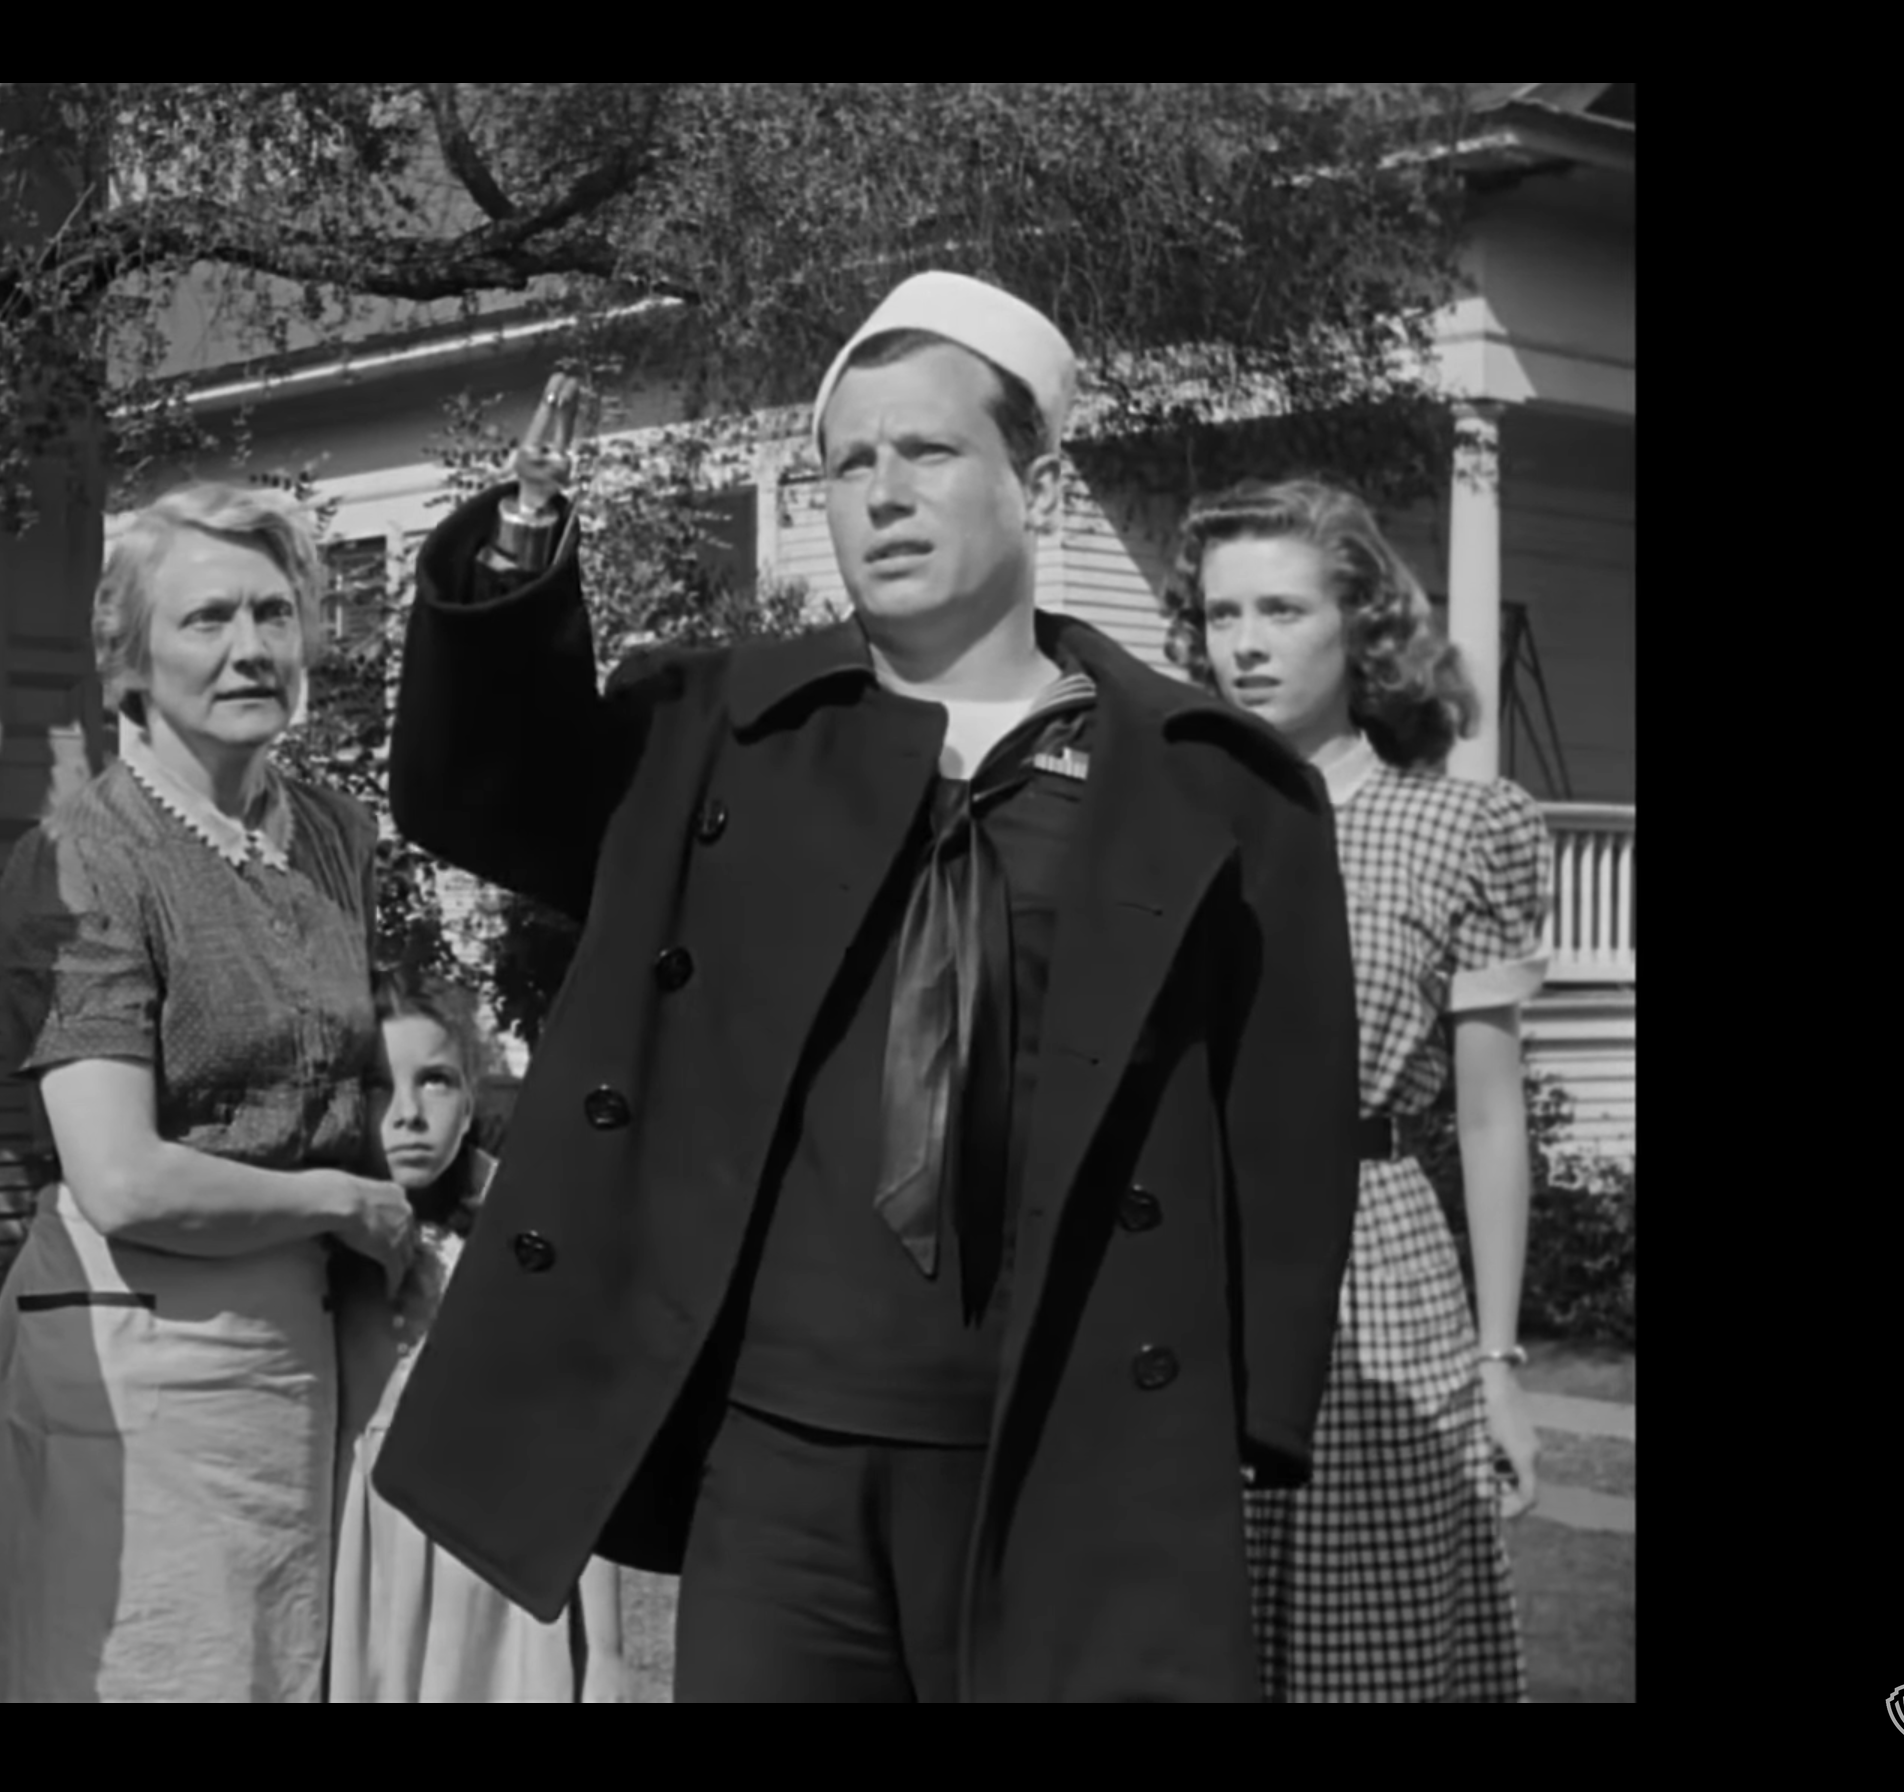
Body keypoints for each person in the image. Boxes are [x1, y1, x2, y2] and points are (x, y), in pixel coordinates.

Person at [368, 271, 1364, 1703]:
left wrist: (1245, 1420)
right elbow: (482, 795)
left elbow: (1283, 1127)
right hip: (775, 1458)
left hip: (1066, 1452)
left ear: (1040, 478)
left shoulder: (1213, 785)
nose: (881, 492)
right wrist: (518, 550)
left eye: (929, 451)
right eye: (848, 461)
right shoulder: (718, 729)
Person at [0, 483, 420, 1703]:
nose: (252, 648)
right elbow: (122, 1179)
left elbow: (364, 1079)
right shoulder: (85, 855)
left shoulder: (335, 836)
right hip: (143, 1358)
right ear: (128, 659)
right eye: (208, 619)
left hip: (301, 1352)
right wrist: (344, 1201)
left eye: (276, 613)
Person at [1162, 478, 1552, 1703]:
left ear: (1364, 626)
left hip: (1372, 1264)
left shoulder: (1462, 824)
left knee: (1362, 1654)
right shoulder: (1159, 814)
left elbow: (1490, 1117)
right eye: (1223, 614)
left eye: (1282, 607)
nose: (1248, 643)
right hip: (1180, 1253)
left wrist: (1499, 1362)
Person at [329, 970, 631, 1703]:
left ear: (470, 1096)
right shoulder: (313, 1244)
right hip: (361, 1566)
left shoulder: (522, 1239)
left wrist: (612, 1651)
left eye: (434, 1081)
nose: (407, 1113)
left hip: (496, 1578)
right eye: (377, 1085)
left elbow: (574, 1446)